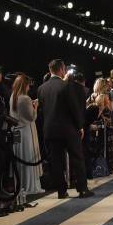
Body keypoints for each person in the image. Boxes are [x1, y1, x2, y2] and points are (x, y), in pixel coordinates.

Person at [37, 59, 93, 199]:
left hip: (50, 129)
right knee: (77, 158)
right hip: (68, 129)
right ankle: (82, 189)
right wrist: (80, 126)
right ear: (62, 69)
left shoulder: (41, 89)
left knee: (56, 161)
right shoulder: (66, 86)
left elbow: (42, 111)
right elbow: (74, 108)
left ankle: (61, 191)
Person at [10, 74, 44, 196]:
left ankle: (21, 185)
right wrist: (35, 106)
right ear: (25, 85)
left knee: (21, 158)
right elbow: (31, 116)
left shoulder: (13, 97)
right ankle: (30, 185)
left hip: (17, 131)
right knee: (29, 157)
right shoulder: (25, 98)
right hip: (27, 131)